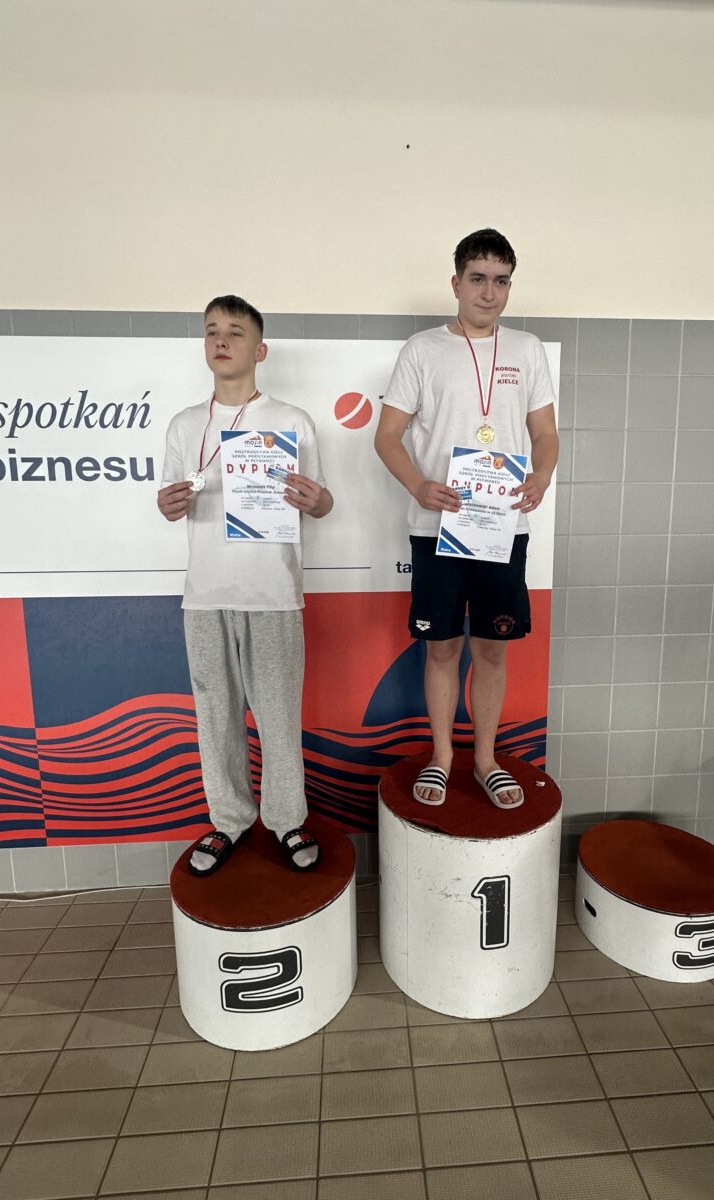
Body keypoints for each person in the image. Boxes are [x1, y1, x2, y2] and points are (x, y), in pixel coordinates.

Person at [374, 229, 558, 809]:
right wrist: (418, 486)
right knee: (442, 648)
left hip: (502, 526)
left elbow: (545, 434)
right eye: (477, 279)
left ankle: (484, 761)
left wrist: (541, 476)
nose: (489, 292)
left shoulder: (527, 350)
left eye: (501, 281)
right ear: (456, 284)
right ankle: (441, 757)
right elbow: (387, 436)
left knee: (493, 649)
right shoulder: (422, 350)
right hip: (438, 527)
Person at [158, 295, 333, 874]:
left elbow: (322, 502)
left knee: (278, 716)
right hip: (205, 594)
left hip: (272, 593)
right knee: (216, 717)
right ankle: (229, 821)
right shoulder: (184, 424)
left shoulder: (291, 421)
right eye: (212, 330)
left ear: (260, 350)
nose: (221, 340)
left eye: (235, 332)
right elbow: (170, 501)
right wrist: (167, 505)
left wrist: (318, 501)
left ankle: (287, 820)